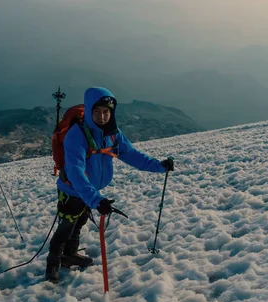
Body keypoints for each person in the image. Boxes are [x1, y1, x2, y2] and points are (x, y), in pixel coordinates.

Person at [46, 87, 175, 283]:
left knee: (78, 223)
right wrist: (96, 200)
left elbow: (131, 154)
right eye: (97, 111)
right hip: (72, 190)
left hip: (91, 192)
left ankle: (69, 256)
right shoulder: (76, 135)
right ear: (89, 110)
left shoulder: (113, 134)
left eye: (106, 112)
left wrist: (159, 166)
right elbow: (76, 173)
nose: (102, 116)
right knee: (66, 227)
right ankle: (52, 265)